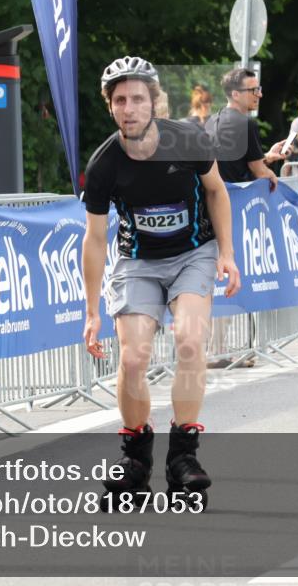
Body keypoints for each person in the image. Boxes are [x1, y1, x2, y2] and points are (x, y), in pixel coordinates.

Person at [81, 56, 240, 507]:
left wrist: (226, 253)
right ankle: (135, 458)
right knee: (133, 359)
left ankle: (183, 457)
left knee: (189, 339)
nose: (129, 108)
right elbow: (94, 240)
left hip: (194, 254)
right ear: (110, 108)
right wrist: (92, 311)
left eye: (137, 98)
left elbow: (216, 191)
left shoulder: (187, 138)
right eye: (119, 101)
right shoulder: (105, 164)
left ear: (154, 101)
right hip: (137, 261)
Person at [204, 67, 285, 190]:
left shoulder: (211, 121)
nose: (260, 95)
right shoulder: (246, 124)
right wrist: (272, 176)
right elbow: (260, 173)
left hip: (217, 199)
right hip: (239, 200)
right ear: (235, 94)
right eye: (254, 90)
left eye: (259, 89)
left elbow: (234, 165)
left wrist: (268, 156)